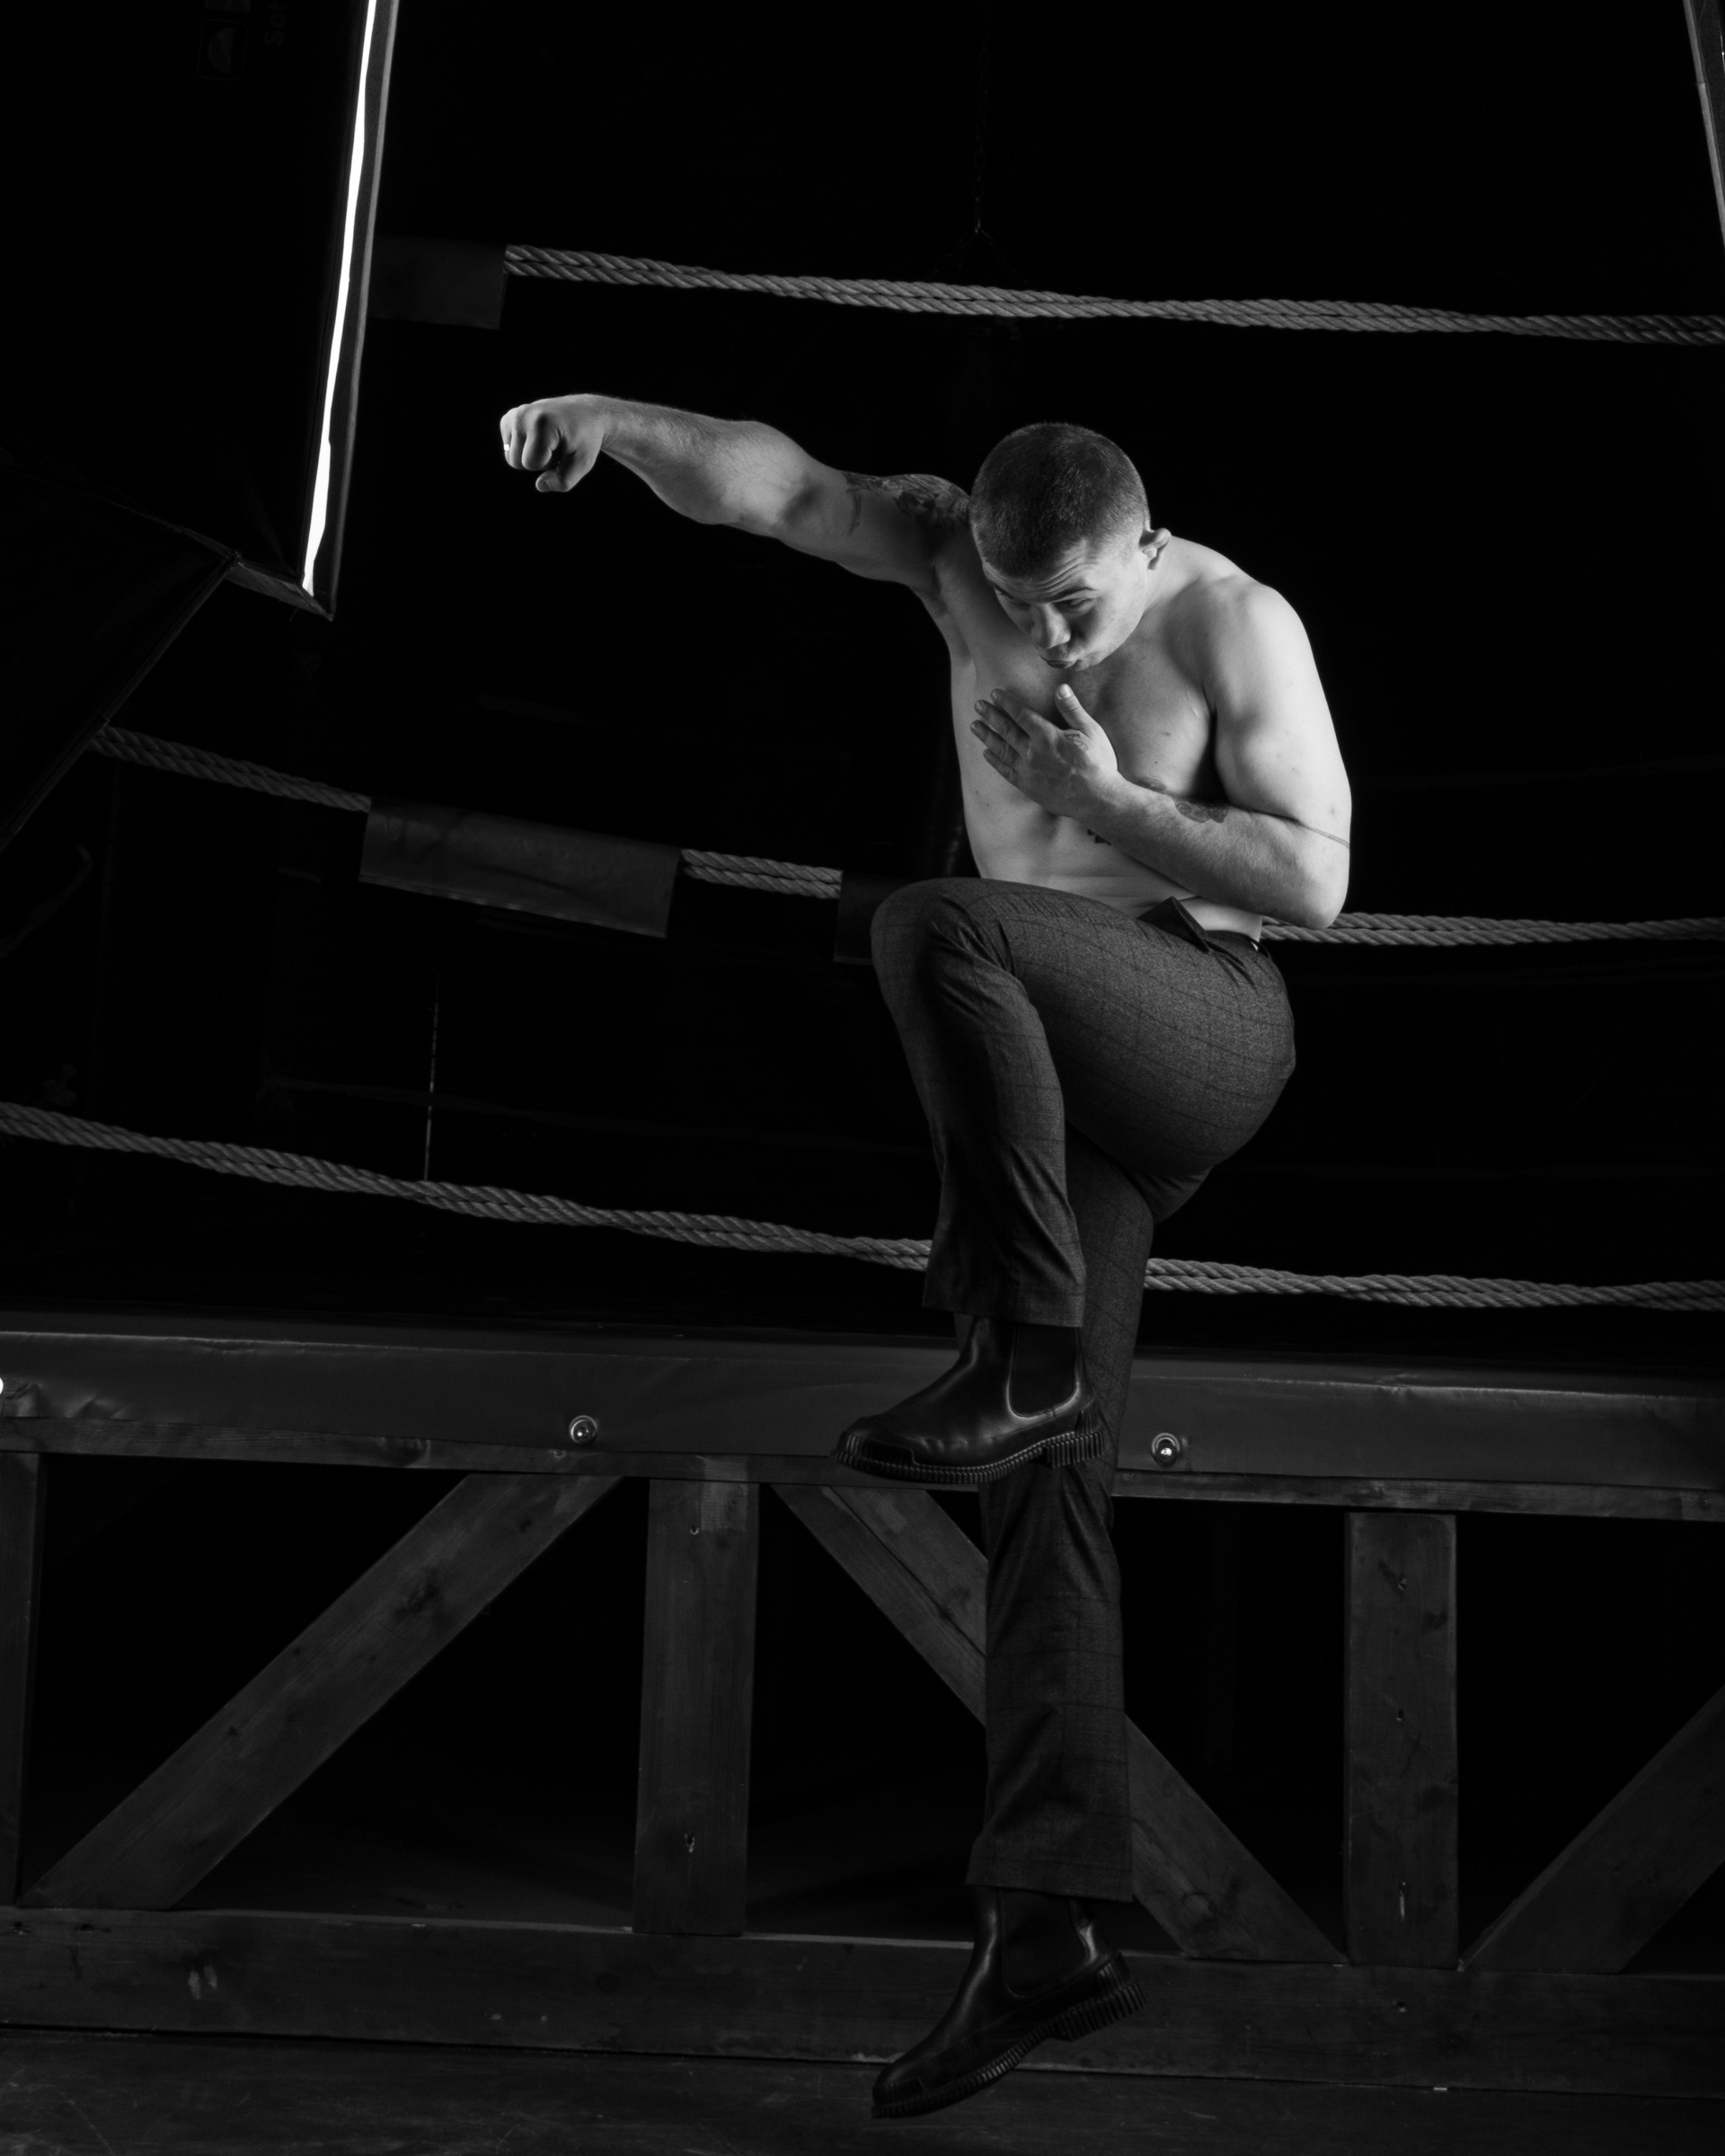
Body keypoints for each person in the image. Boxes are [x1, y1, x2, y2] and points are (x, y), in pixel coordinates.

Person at [500, 393, 1351, 2116]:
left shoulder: (1233, 620)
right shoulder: (956, 557)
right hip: (1052, 1081)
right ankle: (1043, 1926)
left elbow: (1316, 883)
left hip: (1200, 1025)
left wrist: (1103, 799)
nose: (1054, 638)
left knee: (932, 918)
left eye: (1079, 606)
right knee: (1050, 1486)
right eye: (1025, 607)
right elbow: (787, 490)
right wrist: (609, 420)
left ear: (1145, 543)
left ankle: (1019, 1344)